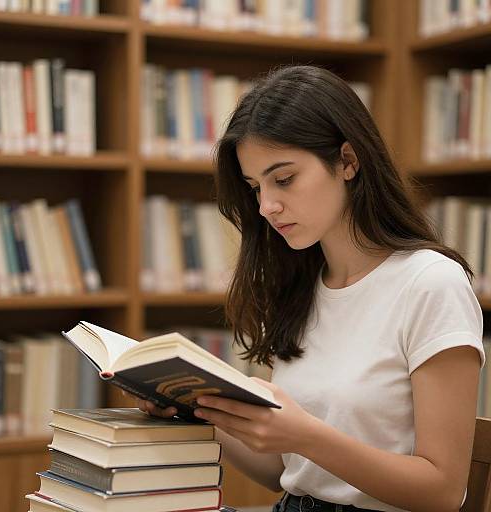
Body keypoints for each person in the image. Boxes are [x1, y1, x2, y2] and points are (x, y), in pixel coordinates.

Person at [136, 65, 485, 512]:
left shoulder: (431, 284)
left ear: (348, 161)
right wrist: (197, 412)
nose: (266, 206)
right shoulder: (302, 286)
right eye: (254, 187)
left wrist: (307, 436)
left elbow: (442, 491)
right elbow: (284, 473)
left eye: (283, 179)